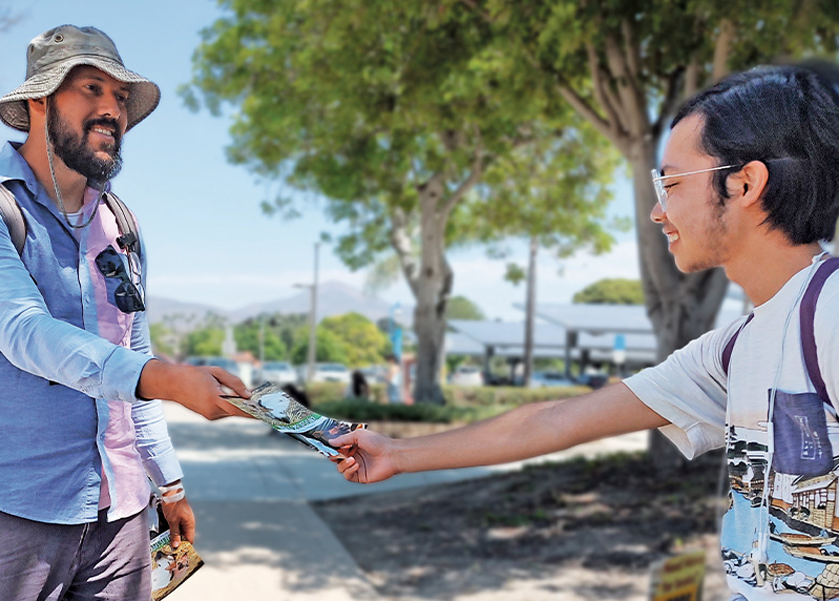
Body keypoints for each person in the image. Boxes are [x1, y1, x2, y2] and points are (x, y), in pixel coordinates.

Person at [335, 62, 839, 601]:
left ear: (744, 183)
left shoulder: (830, 314)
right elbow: (553, 421)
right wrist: (397, 453)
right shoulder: (739, 347)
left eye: (669, 182)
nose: (656, 211)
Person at [0, 25, 251, 600]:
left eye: (121, 98)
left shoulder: (119, 224)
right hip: (2, 509)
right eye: (90, 89)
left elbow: (134, 353)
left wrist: (167, 484)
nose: (111, 110)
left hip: (120, 516)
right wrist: (165, 381)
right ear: (38, 101)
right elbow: (25, 333)